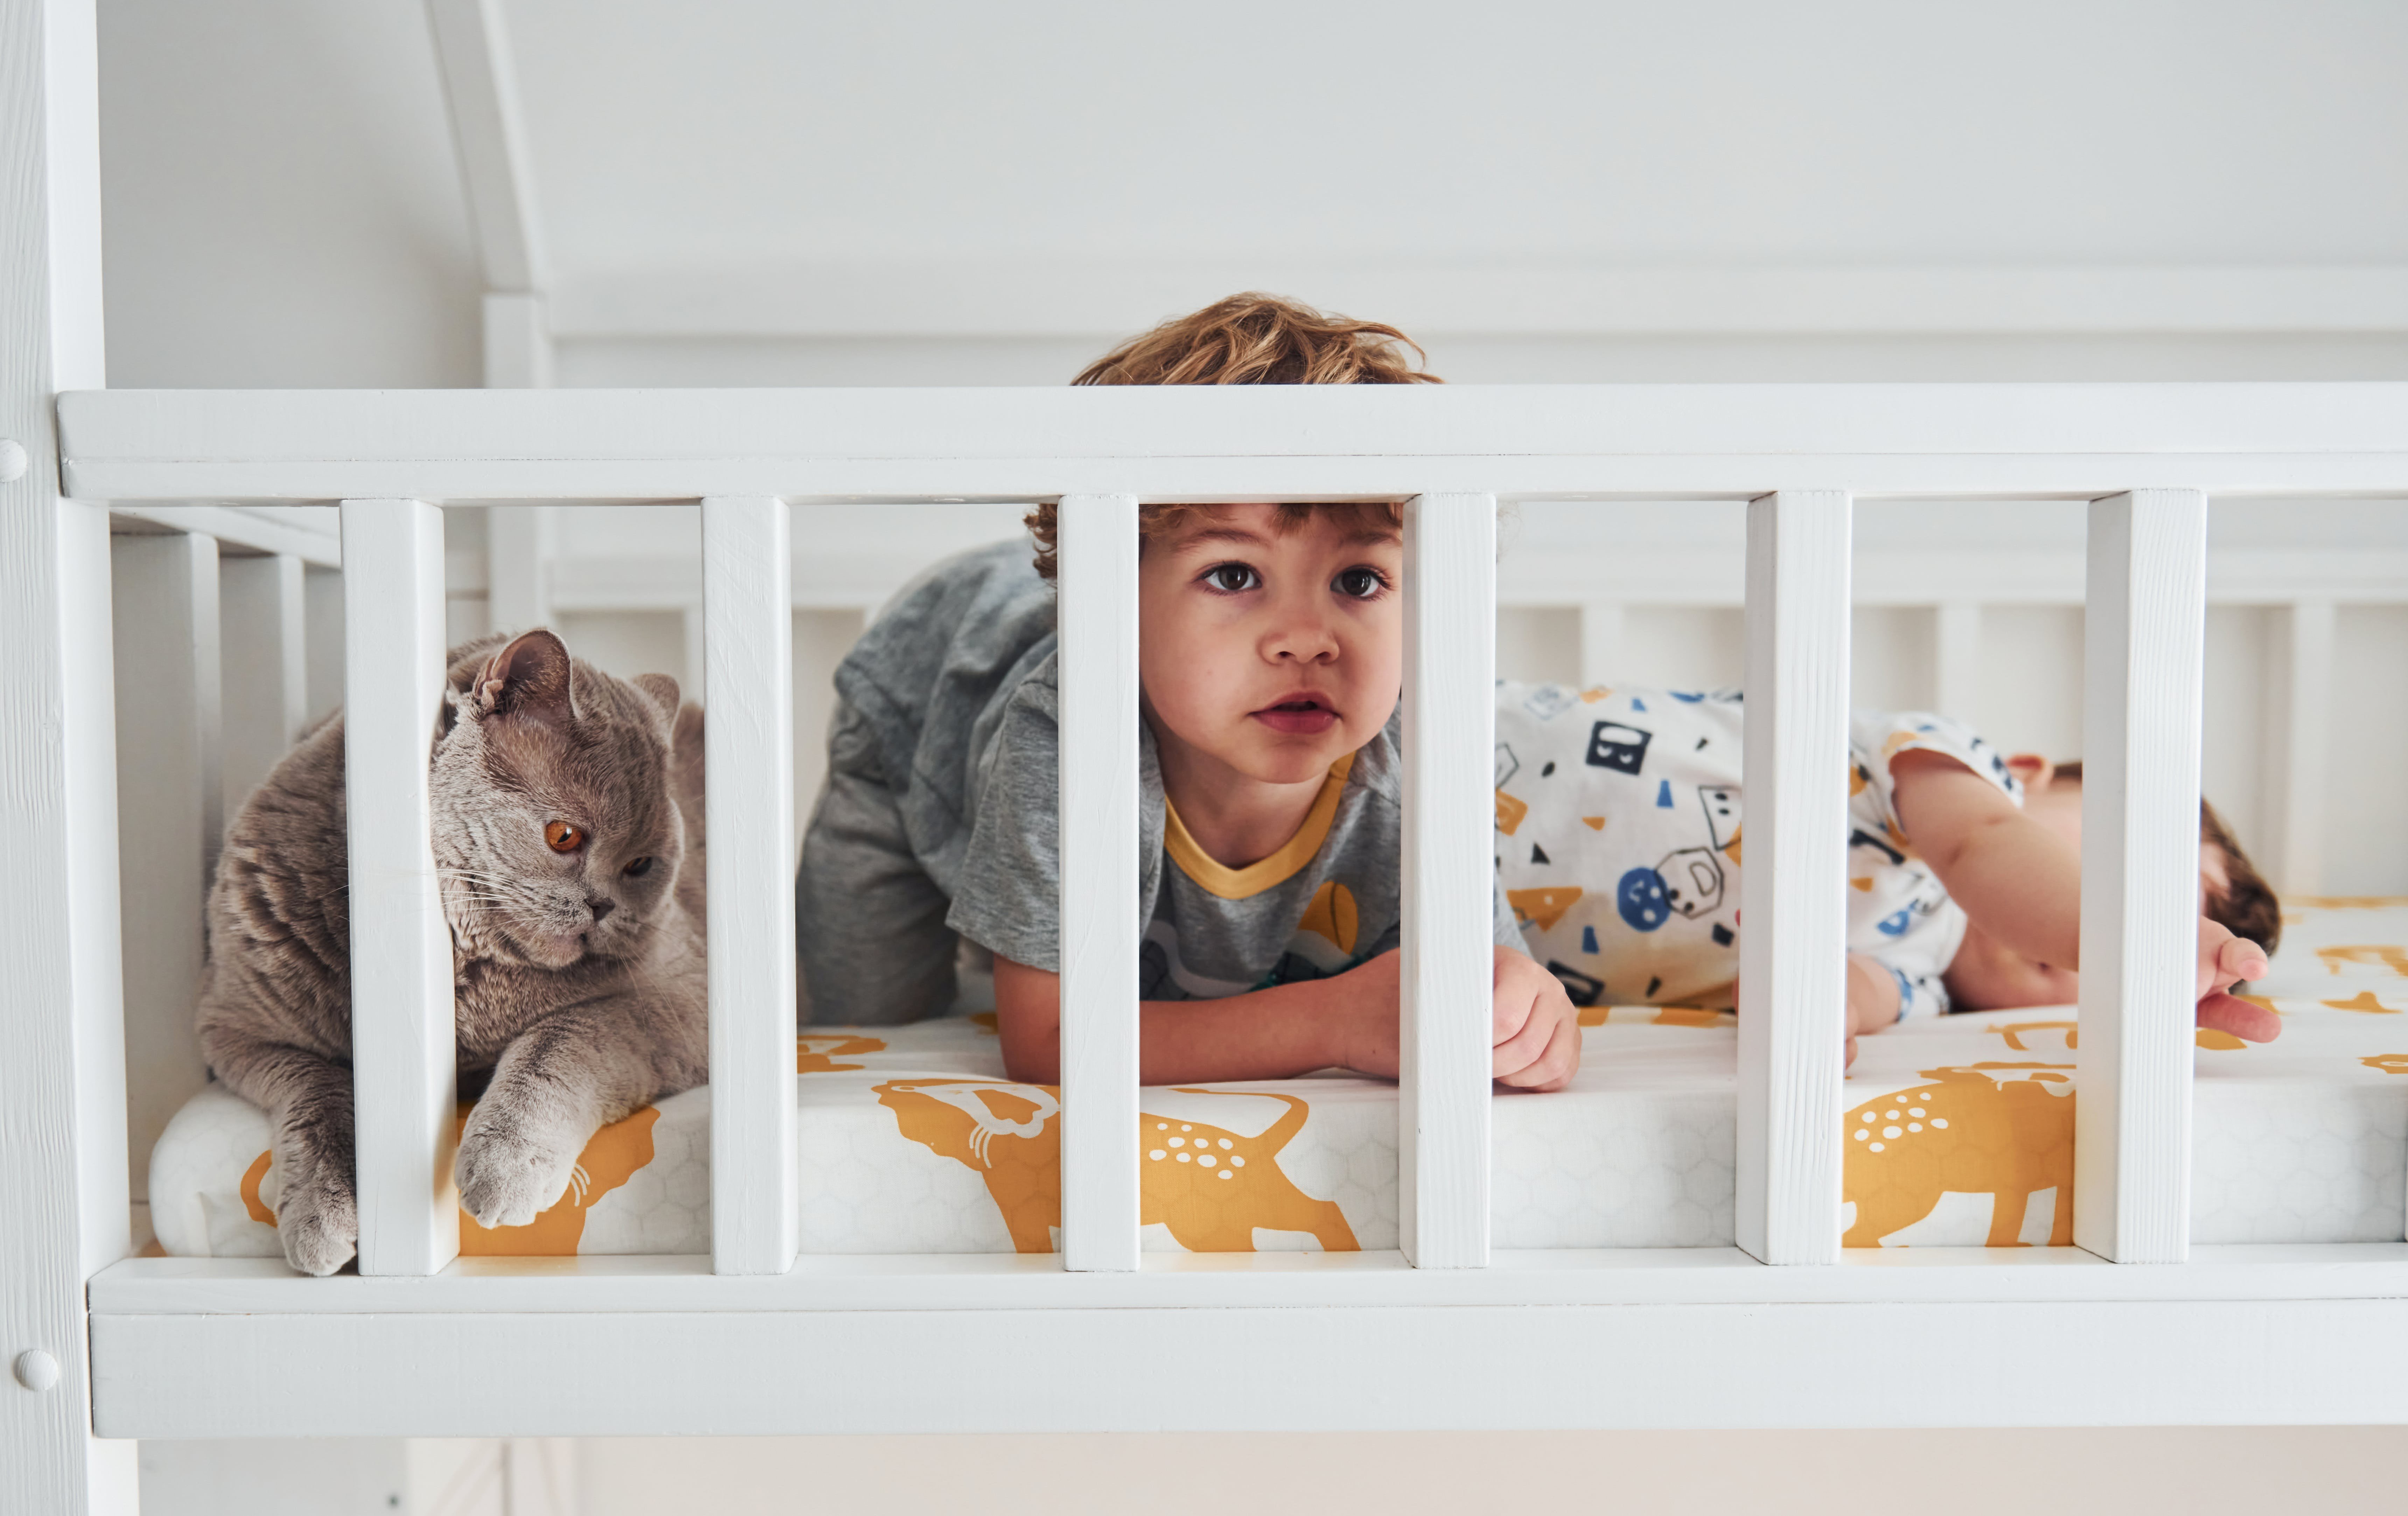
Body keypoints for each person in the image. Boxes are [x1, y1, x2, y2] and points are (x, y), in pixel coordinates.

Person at [797, 294, 1581, 1092]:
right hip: (919, 704)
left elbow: (1482, 981)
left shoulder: (1422, 749)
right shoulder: (1069, 735)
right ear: (1110, 603)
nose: (1306, 637)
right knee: (867, 1019)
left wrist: (1524, 1009)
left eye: (1359, 578)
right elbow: (1047, 1040)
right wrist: (1334, 1017)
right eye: (1235, 574)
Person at [1492, 688, 2281, 1061]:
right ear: (2025, 774)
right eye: (2126, 872)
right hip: (1441, 742)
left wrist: (1808, 1005)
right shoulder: (1931, 777)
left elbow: (1844, 987)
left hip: (1415, 919)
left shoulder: (1918, 981)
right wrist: (2131, 941)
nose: (2112, 908)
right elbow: (1984, 845)